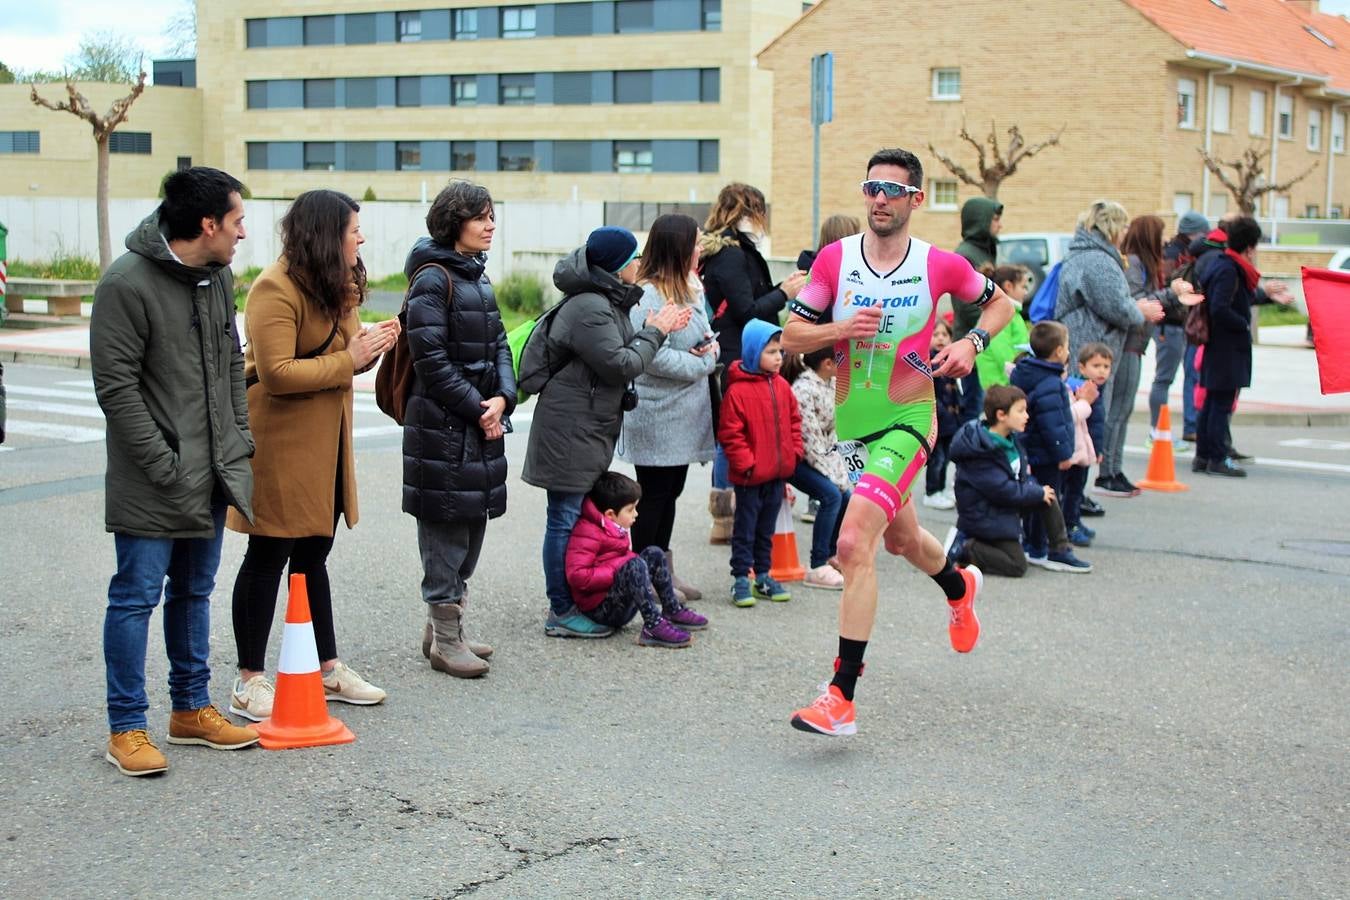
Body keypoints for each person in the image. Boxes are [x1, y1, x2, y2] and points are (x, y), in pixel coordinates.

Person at [781, 147, 1017, 737]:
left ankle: (842, 696)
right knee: (903, 540)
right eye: (871, 188)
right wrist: (838, 329)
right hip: (854, 423)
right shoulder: (835, 261)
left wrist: (970, 346)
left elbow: (1001, 305)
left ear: (914, 199)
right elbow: (790, 333)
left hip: (910, 416)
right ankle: (958, 586)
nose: (879, 199)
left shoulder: (938, 264)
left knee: (854, 539)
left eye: (892, 190)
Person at [90, 167, 260, 776]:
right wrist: (163, 462)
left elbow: (230, 365)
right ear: (207, 224)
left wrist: (238, 440)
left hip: (212, 469)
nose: (244, 232)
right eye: (237, 220)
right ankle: (126, 727)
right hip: (153, 476)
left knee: (194, 590)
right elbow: (116, 389)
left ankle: (190, 708)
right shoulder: (125, 283)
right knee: (136, 597)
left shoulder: (217, 278)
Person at [227, 190, 397, 718]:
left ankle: (326, 668)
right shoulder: (273, 289)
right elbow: (277, 375)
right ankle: (249, 679)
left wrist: (371, 350)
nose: (361, 238)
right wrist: (350, 358)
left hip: (325, 444)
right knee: (267, 557)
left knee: (313, 557)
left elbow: (345, 359)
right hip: (279, 444)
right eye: (353, 230)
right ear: (327, 234)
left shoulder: (337, 285)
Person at [524, 227, 691, 638]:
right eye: (634, 258)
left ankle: (576, 602)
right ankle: (561, 610)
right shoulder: (589, 307)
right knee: (563, 519)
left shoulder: (603, 301)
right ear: (617, 266)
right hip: (570, 429)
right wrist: (656, 331)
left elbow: (616, 354)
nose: (640, 265)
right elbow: (620, 364)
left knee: (574, 518)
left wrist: (650, 328)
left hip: (584, 426)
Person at [400, 180, 517, 678]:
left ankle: (446, 630)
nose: (491, 225)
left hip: (477, 423)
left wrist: (504, 397)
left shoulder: (477, 277)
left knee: (471, 528)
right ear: (455, 223)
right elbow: (431, 360)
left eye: (492, 215)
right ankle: (446, 639)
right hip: (444, 430)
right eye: (481, 217)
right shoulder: (433, 279)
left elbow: (501, 348)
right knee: (446, 533)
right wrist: (479, 407)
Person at [700, 184, 808, 544]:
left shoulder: (732, 250)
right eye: (759, 210)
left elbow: (748, 299)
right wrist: (784, 295)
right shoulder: (731, 254)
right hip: (734, 353)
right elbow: (747, 311)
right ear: (747, 211)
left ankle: (731, 516)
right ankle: (725, 519)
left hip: (736, 348)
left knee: (732, 433)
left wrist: (780, 288)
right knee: (731, 434)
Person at [619, 214, 719, 604]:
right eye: (695, 243)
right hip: (657, 412)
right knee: (654, 496)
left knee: (671, 491)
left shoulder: (691, 286)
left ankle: (663, 573)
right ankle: (643, 578)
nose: (700, 249)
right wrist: (701, 363)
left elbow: (710, 339)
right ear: (677, 248)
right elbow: (651, 356)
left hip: (686, 411)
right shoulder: (646, 294)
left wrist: (707, 353)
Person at [1053, 200, 1162, 498]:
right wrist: (1139, 310)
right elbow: (1117, 306)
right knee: (1085, 418)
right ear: (1111, 227)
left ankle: (1077, 492)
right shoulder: (1098, 261)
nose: (1127, 232)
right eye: (1124, 225)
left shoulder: (1087, 255)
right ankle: (1076, 493)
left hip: (1084, 344)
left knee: (1083, 417)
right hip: (1089, 349)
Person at [1100, 215, 1203, 495]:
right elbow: (1135, 302)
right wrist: (1171, 293)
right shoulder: (1134, 263)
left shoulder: (1141, 264)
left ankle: (1113, 469)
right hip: (1128, 343)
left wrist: (1171, 293)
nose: (1162, 241)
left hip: (1135, 342)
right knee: (1119, 409)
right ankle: (1107, 472)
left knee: (1123, 409)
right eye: (1158, 235)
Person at [565, 472, 709, 648]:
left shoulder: (615, 526)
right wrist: (618, 569)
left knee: (654, 553)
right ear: (610, 514)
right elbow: (577, 575)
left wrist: (626, 566)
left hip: (615, 600)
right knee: (634, 564)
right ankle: (653, 626)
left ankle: (672, 610)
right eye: (630, 509)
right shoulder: (588, 532)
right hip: (599, 611)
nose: (636, 514)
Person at [720, 319, 803, 606]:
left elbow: (794, 422)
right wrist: (747, 465)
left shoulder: (782, 386)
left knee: (766, 529)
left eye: (780, 351)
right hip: (750, 477)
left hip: (777, 474)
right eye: (771, 352)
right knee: (745, 528)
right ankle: (741, 578)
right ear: (754, 353)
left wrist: (794, 455)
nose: (779, 357)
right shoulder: (737, 391)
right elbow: (731, 434)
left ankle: (763, 576)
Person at [947, 385, 1066, 577]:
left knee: (1047, 495)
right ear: (1001, 415)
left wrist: (1038, 491)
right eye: (1020, 411)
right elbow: (1003, 490)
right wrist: (1036, 492)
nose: (1026, 415)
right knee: (1017, 566)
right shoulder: (981, 451)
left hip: (1001, 505)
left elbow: (1020, 478)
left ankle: (1059, 551)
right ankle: (968, 548)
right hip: (984, 515)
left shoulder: (1010, 439)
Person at [1009, 321, 1092, 573]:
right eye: (1066, 346)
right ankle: (1050, 548)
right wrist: (1063, 454)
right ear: (1058, 351)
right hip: (1045, 453)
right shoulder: (1051, 383)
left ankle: (1034, 545)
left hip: (1028, 447)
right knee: (1049, 498)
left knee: (1036, 497)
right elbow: (1053, 424)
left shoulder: (1025, 372)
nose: (1068, 351)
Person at [1194, 216, 1262, 477]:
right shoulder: (1229, 269)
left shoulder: (1224, 264)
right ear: (1249, 247)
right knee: (1220, 403)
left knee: (1213, 400)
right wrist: (1243, 324)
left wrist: (1267, 296)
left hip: (1219, 345)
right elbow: (1219, 308)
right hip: (1227, 346)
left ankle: (1203, 455)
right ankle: (1216, 457)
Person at [783, 347, 850, 589]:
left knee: (846, 495)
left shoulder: (830, 384)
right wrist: (831, 474)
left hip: (821, 456)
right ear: (828, 364)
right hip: (797, 458)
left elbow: (832, 434)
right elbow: (808, 439)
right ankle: (817, 564)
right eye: (840, 359)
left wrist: (839, 471)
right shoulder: (803, 389)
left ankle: (832, 554)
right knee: (831, 495)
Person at [1156, 210, 1210, 445]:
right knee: (1167, 378)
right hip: (1171, 325)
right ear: (1194, 233)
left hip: (1181, 324)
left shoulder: (1182, 253)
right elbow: (1166, 289)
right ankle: (1159, 430)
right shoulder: (1174, 255)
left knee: (1190, 375)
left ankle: (1189, 425)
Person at [952, 196, 1004, 423]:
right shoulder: (965, 255)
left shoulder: (984, 251)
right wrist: (997, 313)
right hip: (968, 342)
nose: (999, 225)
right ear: (981, 221)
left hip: (983, 340)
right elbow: (966, 306)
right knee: (971, 412)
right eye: (995, 219)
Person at [1062, 343, 1111, 547]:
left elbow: (1098, 426)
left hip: (1086, 449)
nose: (1101, 371)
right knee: (1071, 489)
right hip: (1074, 449)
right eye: (1096, 365)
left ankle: (1074, 521)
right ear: (1082, 368)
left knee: (1078, 488)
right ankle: (1068, 525)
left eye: (1106, 366)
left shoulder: (1098, 389)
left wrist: (1098, 450)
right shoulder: (1078, 389)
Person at [921, 318, 962, 510]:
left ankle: (941, 488)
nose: (940, 338)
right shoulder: (929, 361)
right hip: (937, 420)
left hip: (951, 422)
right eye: (935, 334)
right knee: (936, 458)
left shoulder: (950, 360)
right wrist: (943, 413)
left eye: (944, 335)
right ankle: (931, 491)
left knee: (946, 458)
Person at [976, 265, 1032, 391]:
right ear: (1008, 286)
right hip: (1002, 388)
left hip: (1011, 384)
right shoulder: (1000, 314)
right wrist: (1022, 377)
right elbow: (1003, 355)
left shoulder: (1013, 314)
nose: (1025, 292)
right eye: (1023, 287)